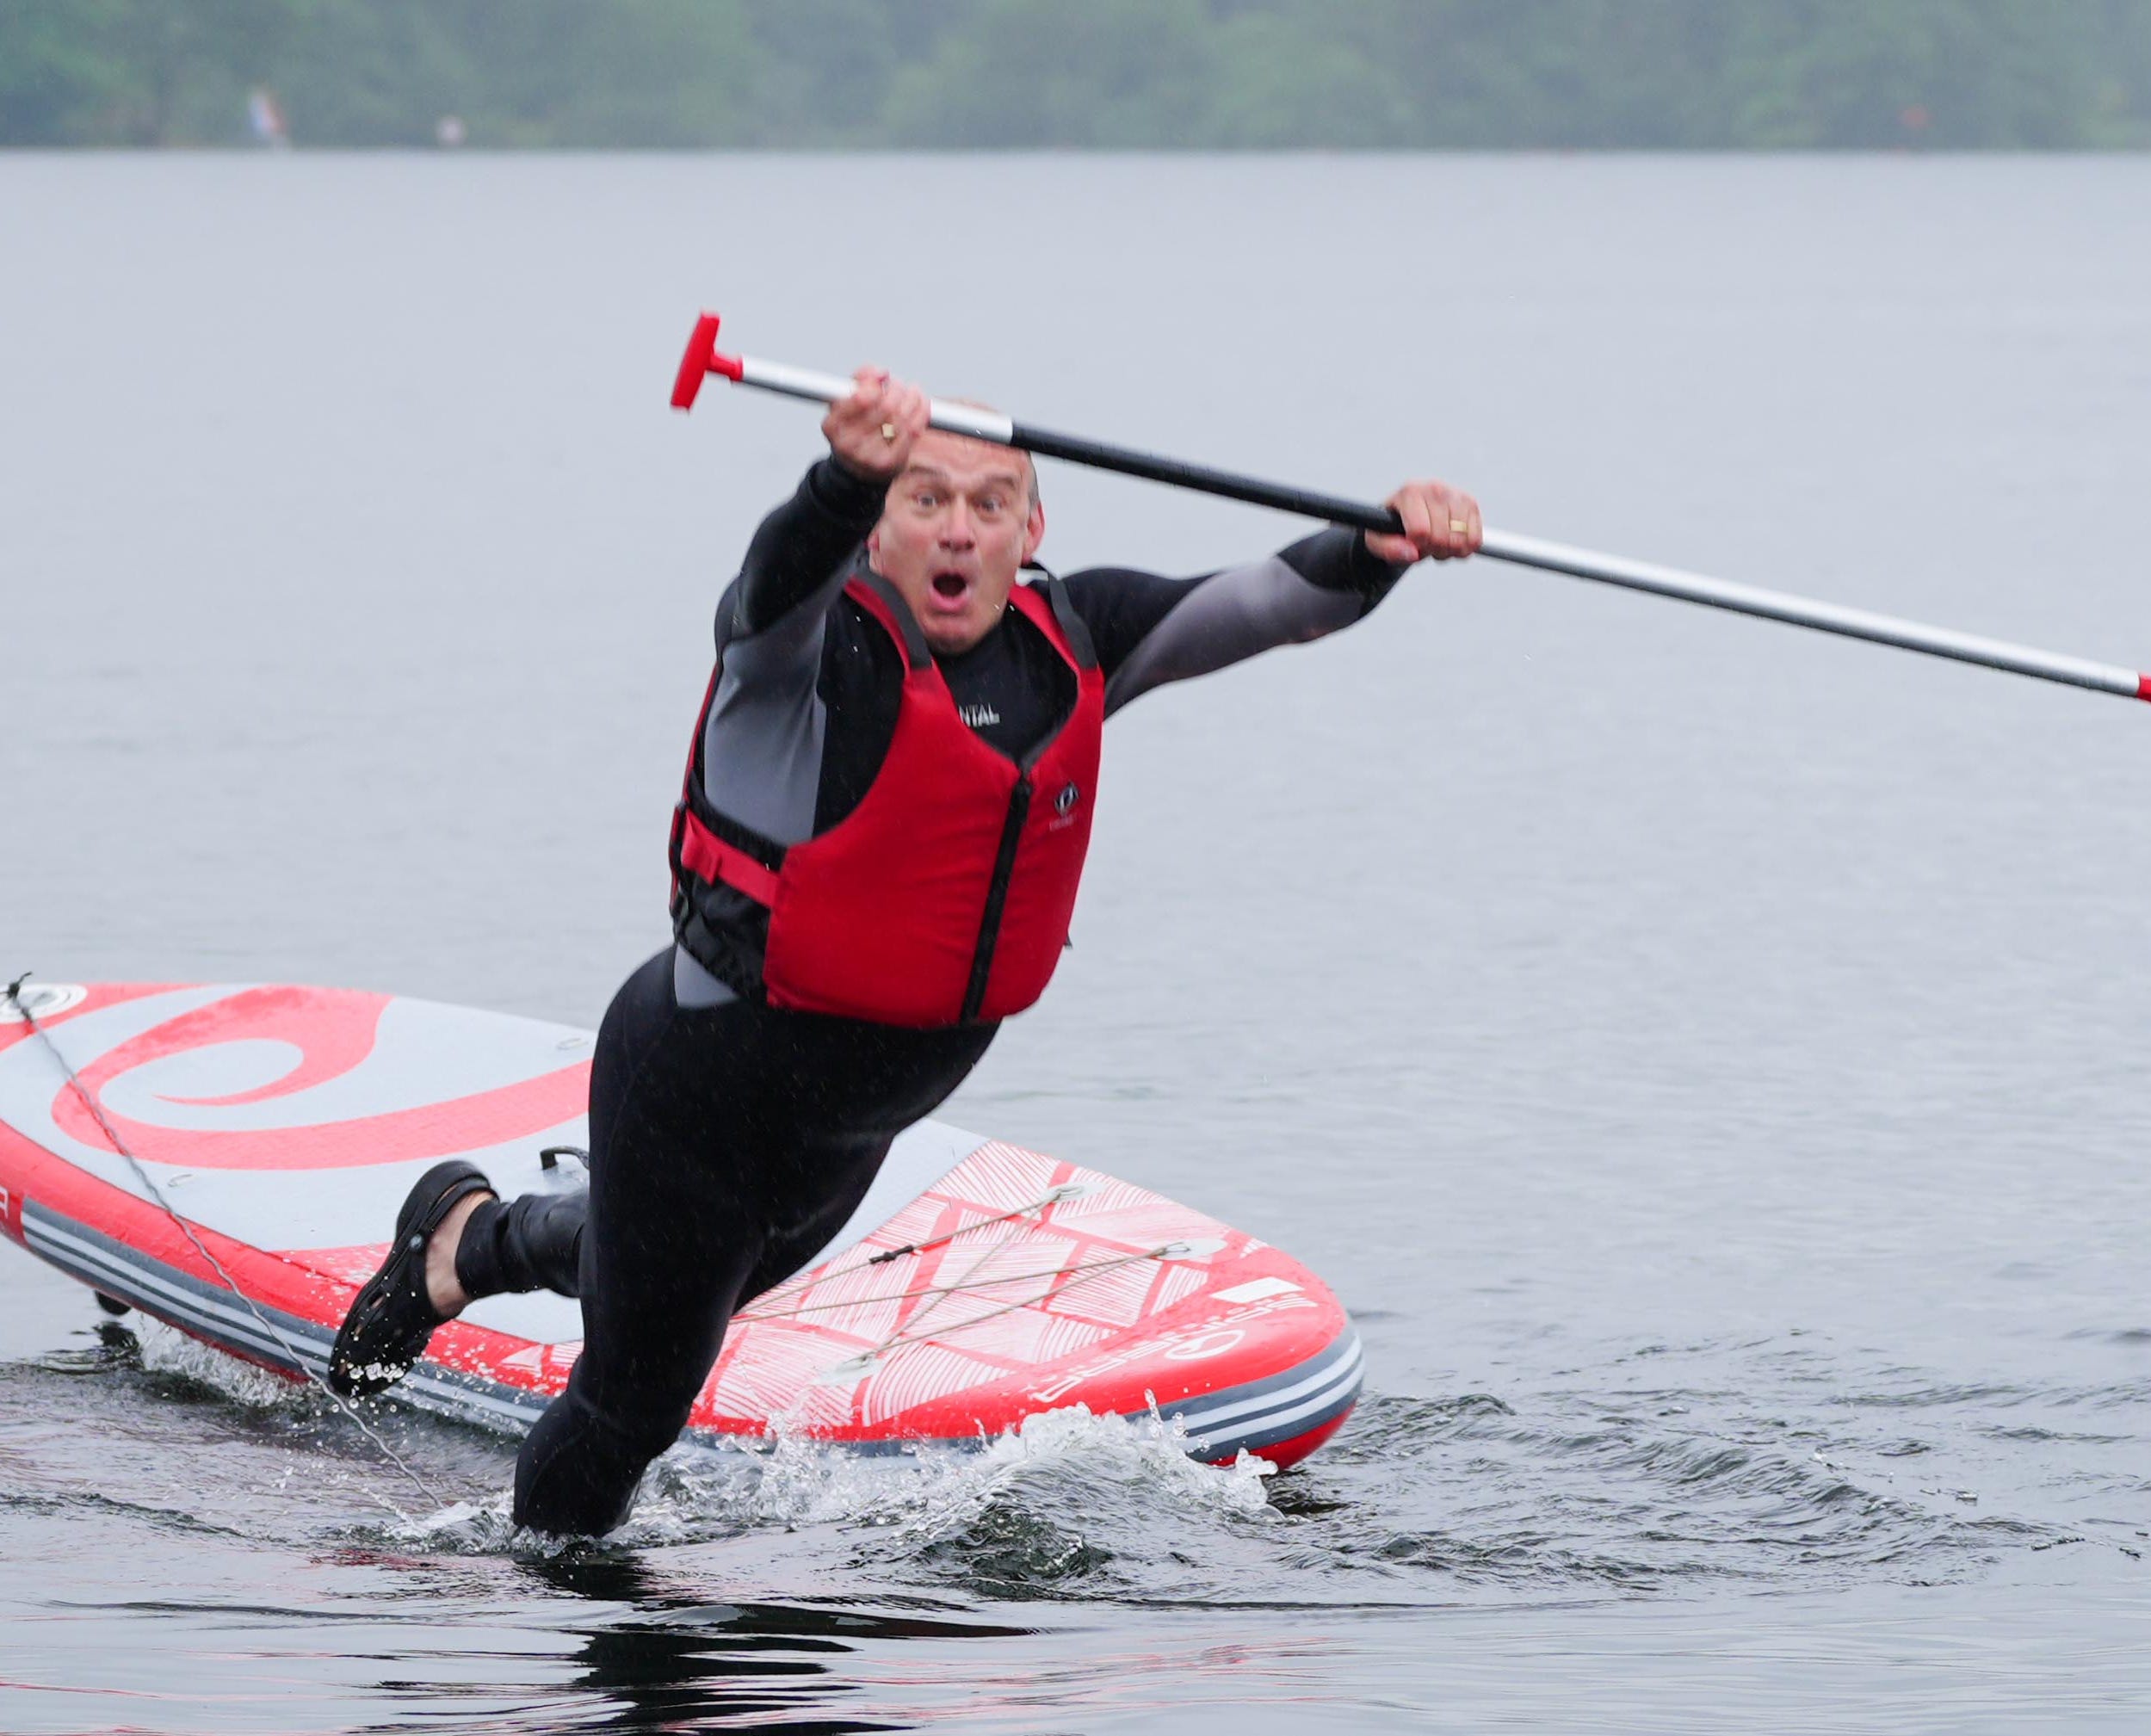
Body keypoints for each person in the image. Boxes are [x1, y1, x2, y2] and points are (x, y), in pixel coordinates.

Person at [327, 365, 1484, 1534]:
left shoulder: (1072, 642)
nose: (958, 528)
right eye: (924, 498)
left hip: (845, 1138)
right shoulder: (805, 654)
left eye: (989, 504)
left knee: (668, 1279)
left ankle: (461, 1242)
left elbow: (1269, 599)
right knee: (633, 1401)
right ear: (878, 524)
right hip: (695, 1087)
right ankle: (565, 1620)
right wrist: (839, 479)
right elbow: (765, 587)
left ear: (1030, 529)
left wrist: (1382, 544)